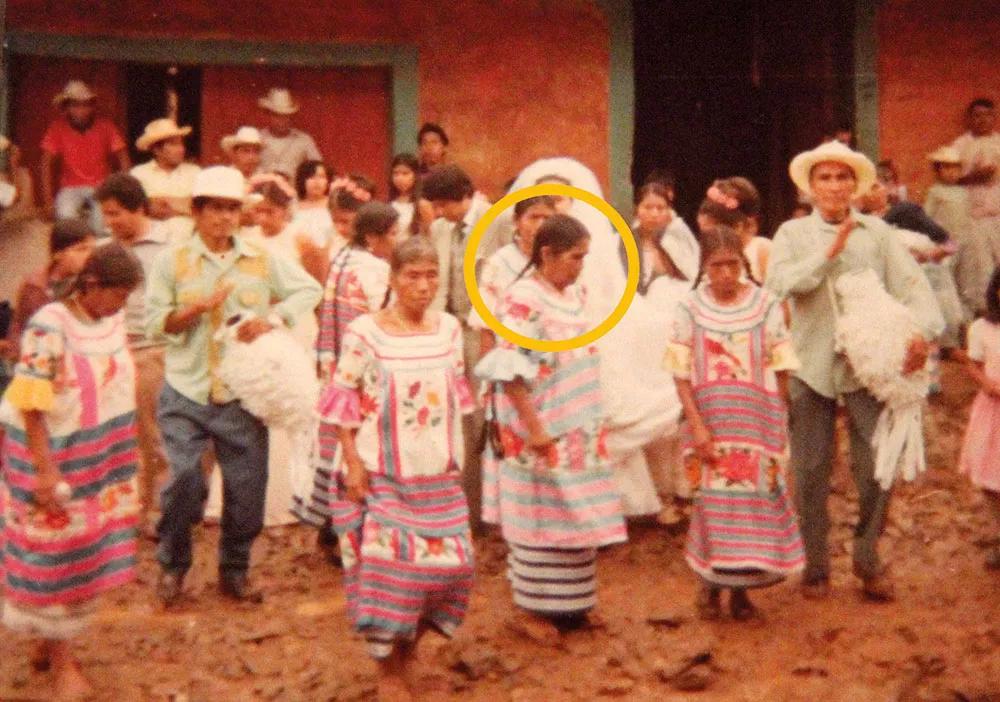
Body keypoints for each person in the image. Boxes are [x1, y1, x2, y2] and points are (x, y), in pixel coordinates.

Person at [767, 140, 944, 601]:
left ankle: (867, 557)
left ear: (855, 185)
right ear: (810, 186)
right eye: (824, 177)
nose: (833, 186)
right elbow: (781, 284)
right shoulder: (791, 235)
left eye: (842, 177)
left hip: (871, 367)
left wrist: (920, 335)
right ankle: (816, 567)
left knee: (875, 467)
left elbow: (913, 286)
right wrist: (831, 250)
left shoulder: (878, 233)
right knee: (809, 468)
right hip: (811, 363)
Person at [145, 166, 322, 606]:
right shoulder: (173, 260)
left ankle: (235, 572)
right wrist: (194, 311)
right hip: (186, 389)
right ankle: (172, 566)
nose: (224, 218)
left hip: (242, 397)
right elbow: (154, 323)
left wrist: (272, 319)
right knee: (183, 480)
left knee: (246, 491)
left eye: (231, 209)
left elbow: (309, 290)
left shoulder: (259, 257)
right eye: (215, 209)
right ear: (198, 212)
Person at [324, 236, 475, 701]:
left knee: (451, 569)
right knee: (391, 572)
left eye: (432, 275)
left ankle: (411, 652)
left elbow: (456, 399)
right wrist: (352, 463)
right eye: (413, 275)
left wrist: (458, 462)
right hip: (379, 471)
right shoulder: (366, 333)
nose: (423, 285)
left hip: (437, 474)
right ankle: (388, 670)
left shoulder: (449, 329)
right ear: (393, 279)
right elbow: (342, 398)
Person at [0, 243, 143, 700]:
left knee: (83, 552)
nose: (121, 307)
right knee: (55, 557)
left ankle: (49, 644)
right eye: (116, 296)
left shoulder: (111, 320)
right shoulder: (49, 327)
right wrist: (44, 471)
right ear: (91, 285)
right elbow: (32, 404)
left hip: (99, 457)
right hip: (55, 456)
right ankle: (64, 664)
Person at [476, 214, 626, 631]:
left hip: (578, 426)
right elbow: (509, 371)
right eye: (575, 257)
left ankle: (575, 604)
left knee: (578, 510)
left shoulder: (574, 294)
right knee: (539, 515)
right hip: (537, 426)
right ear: (547, 254)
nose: (581, 265)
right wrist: (534, 428)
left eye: (584, 257)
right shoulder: (522, 298)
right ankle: (529, 610)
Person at [667, 226, 804, 620]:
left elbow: (781, 363)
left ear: (743, 264)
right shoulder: (689, 308)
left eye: (732, 265)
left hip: (756, 421)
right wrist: (697, 426)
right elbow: (679, 373)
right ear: (704, 267)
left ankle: (743, 594)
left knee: (755, 502)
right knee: (713, 503)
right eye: (716, 266)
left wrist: (780, 413)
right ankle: (710, 587)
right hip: (710, 420)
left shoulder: (766, 304)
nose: (726, 273)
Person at [294, 202, 397, 558]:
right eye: (394, 234)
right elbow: (385, 319)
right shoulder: (375, 270)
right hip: (364, 369)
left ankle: (329, 529)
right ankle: (348, 534)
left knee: (337, 445)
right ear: (373, 237)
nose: (398, 241)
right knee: (360, 450)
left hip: (336, 366)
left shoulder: (342, 258)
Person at [605, 182, 693, 523]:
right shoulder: (620, 244)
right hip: (630, 337)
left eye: (661, 208)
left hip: (664, 336)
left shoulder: (679, 241)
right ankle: (642, 495)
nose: (655, 214)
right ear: (636, 210)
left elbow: (688, 281)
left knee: (671, 410)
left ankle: (676, 491)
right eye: (648, 207)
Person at [95, 174, 171, 532]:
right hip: (112, 349)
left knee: (154, 434)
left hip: (151, 348)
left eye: (115, 214)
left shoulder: (169, 244)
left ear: (139, 208)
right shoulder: (104, 250)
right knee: (121, 434)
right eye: (106, 215)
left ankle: (159, 513)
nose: (110, 222)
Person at [423, 164, 492, 528]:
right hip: (450, 328)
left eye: (445, 204)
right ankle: (467, 507)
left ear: (467, 196)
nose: (440, 212)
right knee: (457, 419)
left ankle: (487, 509)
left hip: (483, 330)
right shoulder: (440, 228)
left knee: (483, 418)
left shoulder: (496, 222)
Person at [468, 195, 556, 356]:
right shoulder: (498, 263)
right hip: (511, 357)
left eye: (547, 218)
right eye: (533, 217)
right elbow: (486, 323)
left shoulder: (560, 261)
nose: (540, 225)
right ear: (516, 221)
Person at [40, 80, 129, 233]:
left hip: (101, 186)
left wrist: (124, 191)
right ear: (66, 107)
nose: (81, 110)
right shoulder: (57, 128)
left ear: (92, 106)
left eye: (85, 104)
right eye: (75, 105)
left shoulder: (106, 126)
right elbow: (45, 164)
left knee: (102, 225)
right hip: (70, 188)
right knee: (66, 220)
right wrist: (48, 202)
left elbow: (123, 158)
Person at [958, 268, 1000, 571]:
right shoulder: (983, 328)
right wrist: (986, 383)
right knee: (992, 480)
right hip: (994, 410)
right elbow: (972, 364)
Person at [4, 220, 97, 358]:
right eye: (81, 249)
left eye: (92, 249)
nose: (90, 255)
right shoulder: (36, 287)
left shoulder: (92, 281)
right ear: (57, 254)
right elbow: (23, 327)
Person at [950, 98, 1000, 312]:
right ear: (970, 119)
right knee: (980, 271)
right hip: (972, 218)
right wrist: (973, 176)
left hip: (997, 215)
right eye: (977, 116)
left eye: (987, 115)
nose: (982, 120)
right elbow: (949, 180)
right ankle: (984, 317)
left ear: (994, 118)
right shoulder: (959, 146)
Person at [130, 118, 202, 243]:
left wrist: (163, 202)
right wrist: (185, 204)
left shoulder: (195, 172)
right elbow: (143, 209)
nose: (181, 149)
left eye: (181, 144)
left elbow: (202, 208)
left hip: (189, 241)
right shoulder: (139, 174)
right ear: (157, 150)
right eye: (174, 144)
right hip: (151, 242)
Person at [926, 146, 977, 317]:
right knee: (946, 280)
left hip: (964, 241)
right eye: (946, 168)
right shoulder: (935, 192)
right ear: (938, 170)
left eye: (955, 168)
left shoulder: (963, 191)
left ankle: (967, 320)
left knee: (967, 280)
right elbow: (927, 217)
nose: (951, 172)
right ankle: (951, 320)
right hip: (946, 243)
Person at [697, 177, 771, 282]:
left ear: (737, 227)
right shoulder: (706, 252)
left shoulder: (762, 249)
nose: (706, 238)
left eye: (711, 232)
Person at [257, 88, 322, 178]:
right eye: (276, 115)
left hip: (293, 191)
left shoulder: (304, 140)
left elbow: (319, 169)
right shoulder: (257, 138)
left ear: (291, 116)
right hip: (260, 190)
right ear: (268, 114)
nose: (281, 121)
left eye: (285, 116)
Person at [389, 153, 434, 236]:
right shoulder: (389, 203)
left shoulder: (422, 205)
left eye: (405, 173)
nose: (400, 178)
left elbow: (430, 237)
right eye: (396, 173)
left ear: (415, 175)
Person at [292, 159, 334, 247]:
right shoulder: (292, 206)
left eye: (322, 177)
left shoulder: (334, 204)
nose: (317, 181)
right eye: (311, 177)